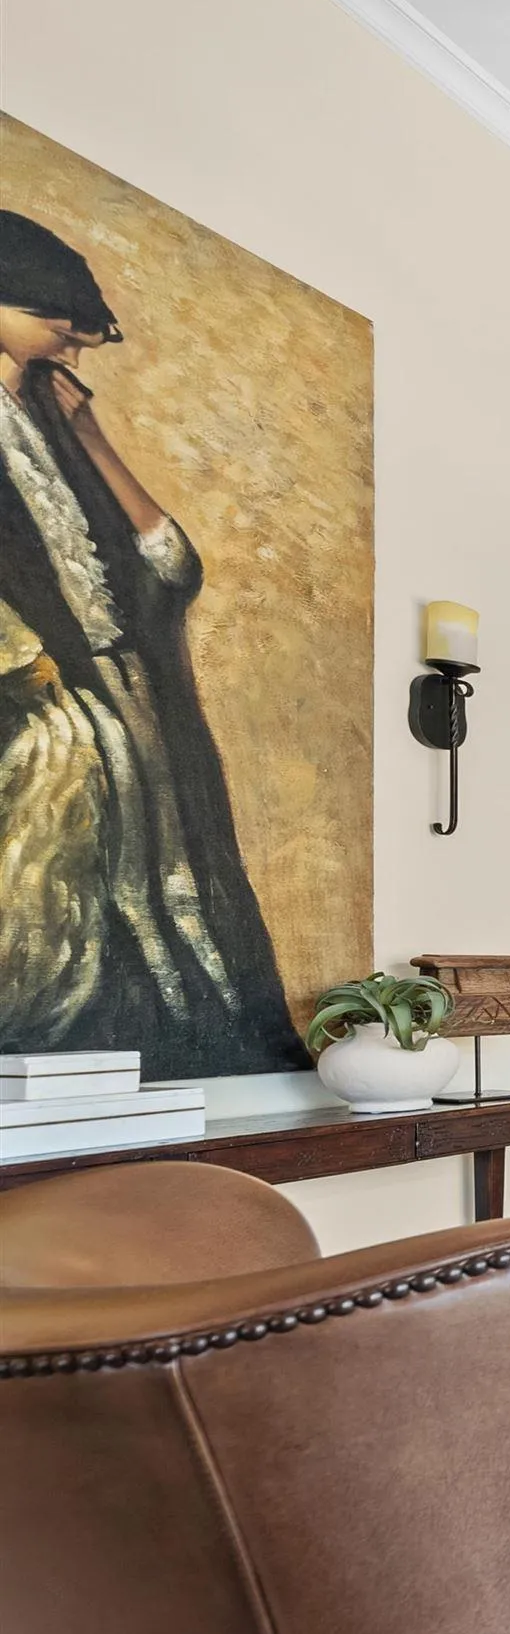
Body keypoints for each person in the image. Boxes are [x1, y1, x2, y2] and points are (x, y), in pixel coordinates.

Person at [0, 209, 304, 1074]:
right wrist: (41, 678)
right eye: (56, 330)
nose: (71, 353)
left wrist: (90, 436)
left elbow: (170, 565)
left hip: (130, 695)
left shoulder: (54, 424)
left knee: (178, 886)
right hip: (54, 711)